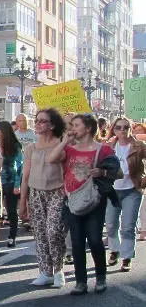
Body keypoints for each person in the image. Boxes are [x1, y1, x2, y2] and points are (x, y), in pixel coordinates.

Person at [48, 113, 114, 294]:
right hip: (73, 200)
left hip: (94, 200)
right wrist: (64, 141)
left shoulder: (103, 149)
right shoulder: (70, 149)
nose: (73, 129)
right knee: (77, 242)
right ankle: (81, 282)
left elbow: (118, 172)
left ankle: (100, 277)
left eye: (76, 125)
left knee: (94, 239)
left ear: (88, 128)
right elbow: (51, 158)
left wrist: (102, 172)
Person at [19, 108, 67, 288]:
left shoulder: (61, 144)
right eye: (37, 120)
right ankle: (46, 272)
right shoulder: (31, 148)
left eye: (42, 121)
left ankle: (58, 270)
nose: (38, 124)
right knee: (40, 233)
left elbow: (61, 161)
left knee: (54, 231)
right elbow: (25, 176)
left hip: (57, 192)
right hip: (36, 193)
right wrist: (22, 202)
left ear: (52, 125)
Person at [104, 116, 145, 272]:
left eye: (126, 127)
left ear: (130, 129)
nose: (122, 130)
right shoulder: (108, 146)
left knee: (128, 225)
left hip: (132, 190)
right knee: (110, 224)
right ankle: (115, 250)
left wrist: (144, 179)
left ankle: (127, 257)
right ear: (113, 129)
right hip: (112, 191)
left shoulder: (139, 146)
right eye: (119, 127)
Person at [0, 121, 23, 248]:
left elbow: (20, 166)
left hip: (10, 181)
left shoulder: (15, 145)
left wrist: (17, 185)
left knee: (11, 210)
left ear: (4, 131)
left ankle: (12, 236)